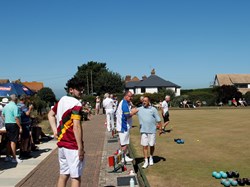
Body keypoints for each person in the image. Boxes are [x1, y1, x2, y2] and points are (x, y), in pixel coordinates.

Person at [48, 77, 85, 187]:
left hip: (62, 144)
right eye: (79, 89)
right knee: (76, 177)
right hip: (72, 144)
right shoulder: (76, 104)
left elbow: (50, 115)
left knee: (63, 175)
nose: (81, 92)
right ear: (71, 90)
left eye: (82, 89)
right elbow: (76, 127)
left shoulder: (62, 100)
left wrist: (55, 131)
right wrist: (80, 148)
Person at [137, 96, 162, 168]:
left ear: (148, 102)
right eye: (143, 101)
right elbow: (130, 112)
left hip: (152, 130)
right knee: (145, 146)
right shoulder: (139, 109)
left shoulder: (153, 109)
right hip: (143, 131)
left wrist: (160, 129)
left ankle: (151, 157)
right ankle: (146, 160)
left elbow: (158, 120)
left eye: (145, 101)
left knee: (151, 145)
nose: (144, 102)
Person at [116, 91, 138, 162]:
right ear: (125, 96)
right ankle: (123, 157)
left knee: (123, 142)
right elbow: (127, 115)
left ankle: (122, 155)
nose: (131, 98)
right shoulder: (124, 104)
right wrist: (133, 112)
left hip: (123, 125)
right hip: (123, 126)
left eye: (131, 96)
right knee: (124, 143)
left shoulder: (125, 102)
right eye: (129, 96)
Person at [2, 94, 23, 163]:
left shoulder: (6, 106)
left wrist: (6, 120)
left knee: (8, 140)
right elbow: (16, 118)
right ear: (16, 99)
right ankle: (14, 158)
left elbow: (3, 114)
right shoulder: (15, 107)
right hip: (13, 124)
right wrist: (20, 126)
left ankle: (7, 156)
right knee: (13, 141)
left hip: (7, 123)